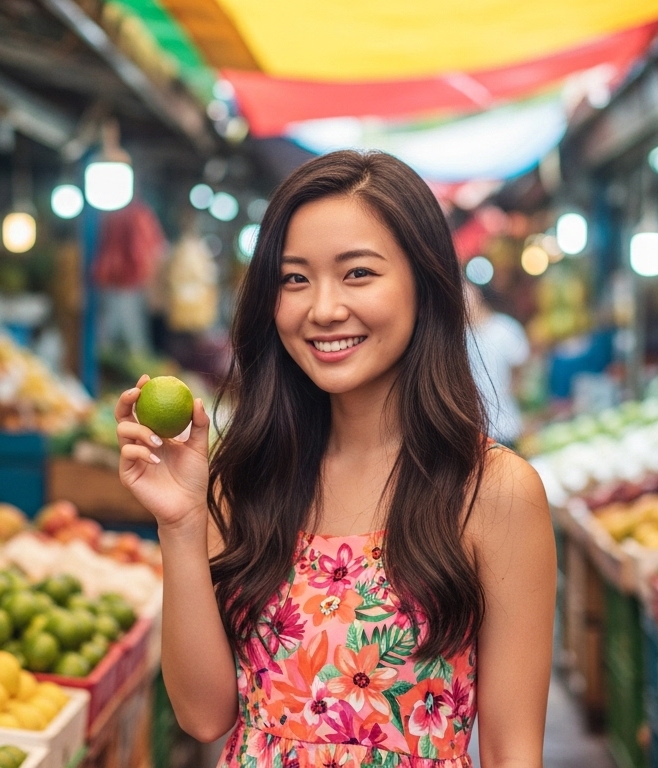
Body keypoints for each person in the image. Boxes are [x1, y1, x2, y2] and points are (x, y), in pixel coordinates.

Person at [115, 151, 556, 767]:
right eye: (294, 279)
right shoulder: (243, 478)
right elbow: (203, 714)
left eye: (357, 274)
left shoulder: (494, 491)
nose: (322, 309)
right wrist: (181, 525)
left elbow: (515, 754)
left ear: (425, 284)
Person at [465, 283, 531, 449]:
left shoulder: (505, 328)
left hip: (507, 427)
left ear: (476, 293)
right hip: (473, 435)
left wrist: (512, 390)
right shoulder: (456, 340)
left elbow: (522, 366)